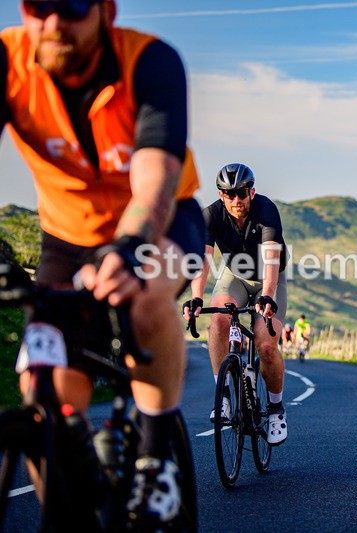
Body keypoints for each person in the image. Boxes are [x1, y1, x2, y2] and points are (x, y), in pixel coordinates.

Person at [0, 0, 205, 526]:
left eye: (71, 5)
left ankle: (155, 456)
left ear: (105, 10)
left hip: (159, 222)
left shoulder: (150, 62)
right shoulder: (8, 61)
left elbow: (156, 177)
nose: (53, 22)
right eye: (37, 5)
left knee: (146, 292)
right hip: (67, 238)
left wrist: (131, 245)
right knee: (44, 393)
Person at [183, 162, 288, 446]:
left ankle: (276, 408)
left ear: (251, 192)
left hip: (270, 277)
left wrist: (267, 295)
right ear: (221, 195)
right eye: (230, 194)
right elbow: (202, 261)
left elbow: (271, 259)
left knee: (266, 344)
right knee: (217, 318)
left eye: (242, 193)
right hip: (236, 276)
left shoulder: (265, 210)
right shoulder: (211, 216)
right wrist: (196, 297)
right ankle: (225, 394)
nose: (237, 200)